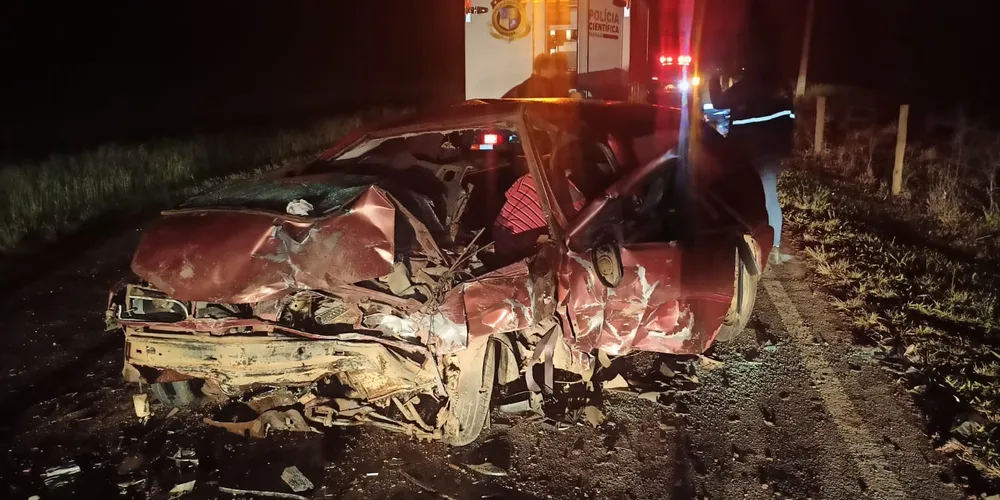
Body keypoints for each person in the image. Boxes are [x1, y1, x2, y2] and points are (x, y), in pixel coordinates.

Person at [709, 64, 795, 265]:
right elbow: (789, 121)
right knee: (769, 197)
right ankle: (774, 249)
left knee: (742, 197)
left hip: (744, 153)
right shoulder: (780, 89)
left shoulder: (743, 87)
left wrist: (714, 80)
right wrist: (785, 149)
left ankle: (742, 244)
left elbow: (718, 102)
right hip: (770, 153)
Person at [503, 52, 572, 99]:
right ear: (543, 69)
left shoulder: (521, 88)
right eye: (553, 67)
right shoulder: (547, 89)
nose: (555, 71)